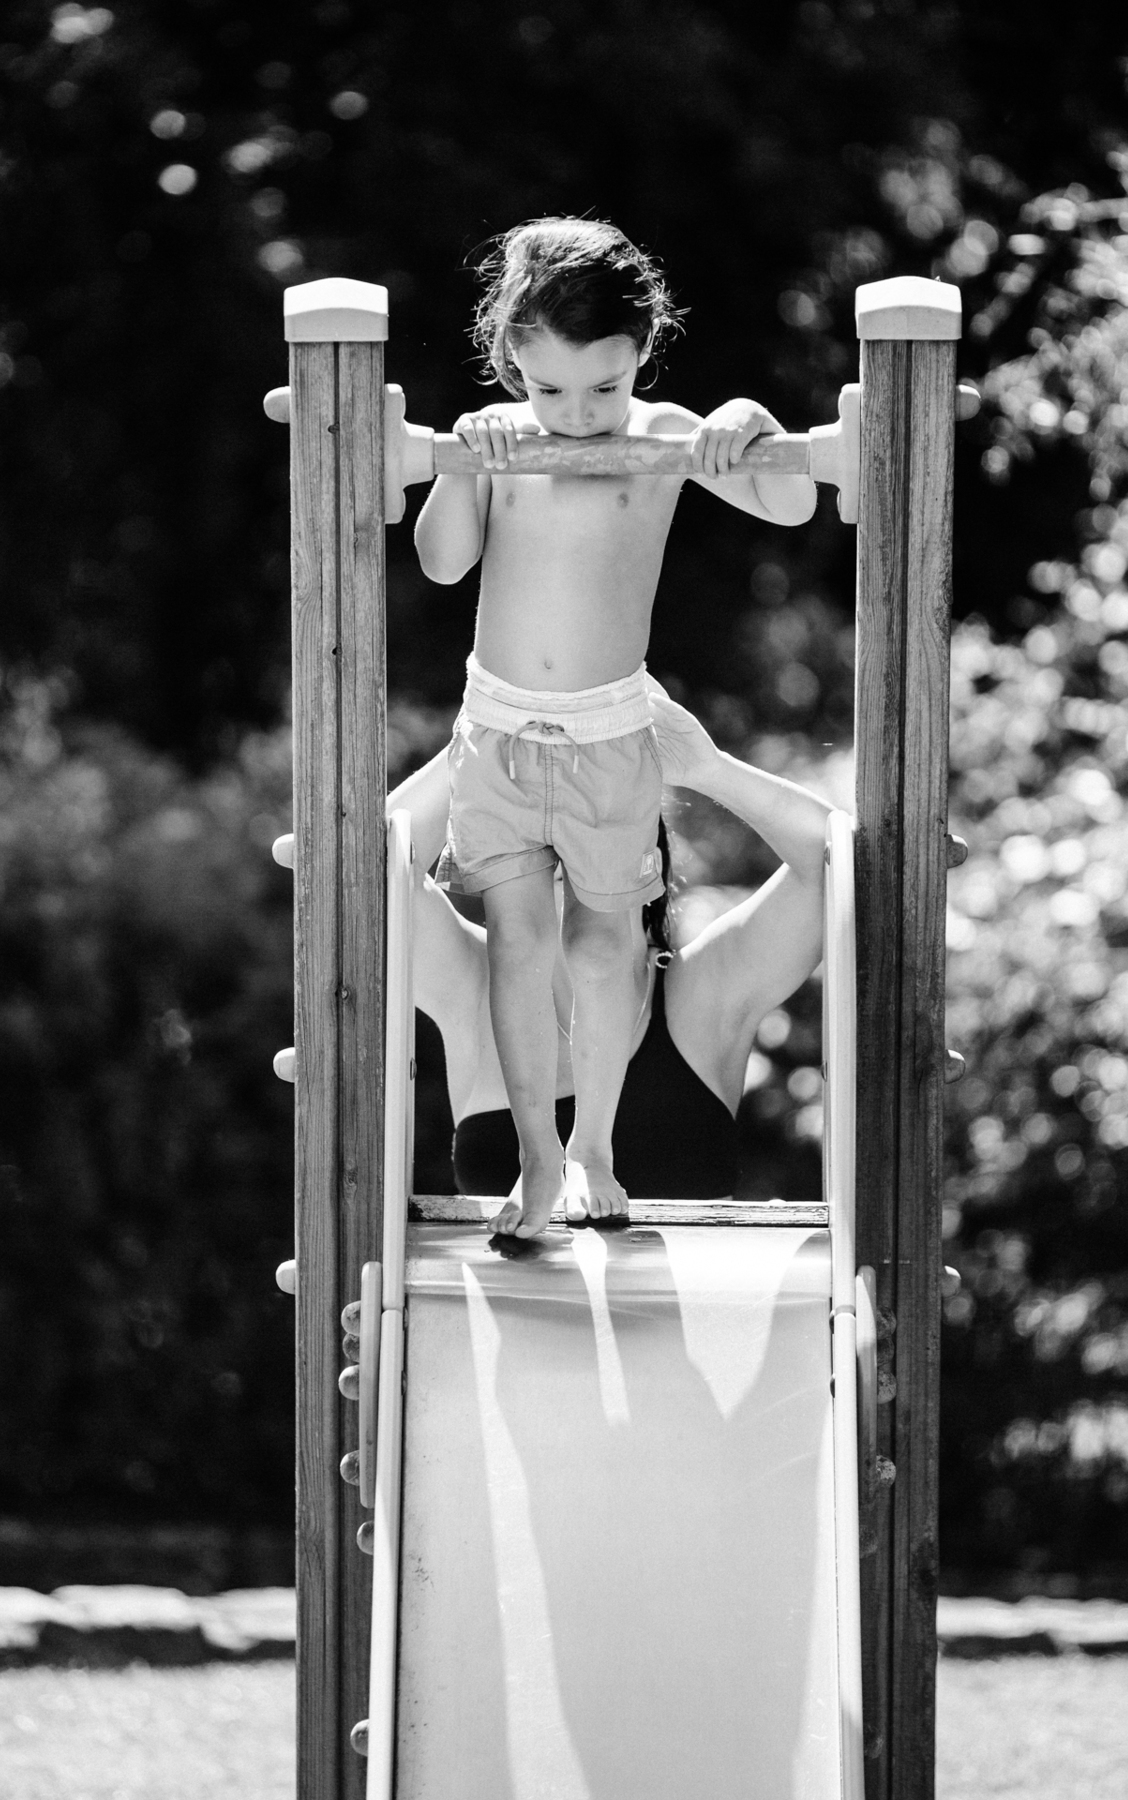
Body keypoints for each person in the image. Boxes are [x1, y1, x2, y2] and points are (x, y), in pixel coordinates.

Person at [413, 216, 817, 1237]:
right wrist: (465, 462)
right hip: (500, 728)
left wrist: (743, 419)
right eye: (550, 389)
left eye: (604, 386)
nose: (580, 414)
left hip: (609, 733)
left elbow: (794, 500)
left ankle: (595, 1147)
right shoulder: (496, 441)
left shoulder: (662, 436)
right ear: (512, 360)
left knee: (603, 947)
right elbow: (441, 563)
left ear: (642, 350)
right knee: (518, 943)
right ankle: (539, 1164)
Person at [387, 684, 832, 1232]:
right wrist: (489, 727)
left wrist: (708, 768)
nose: (560, 838)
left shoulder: (704, 990)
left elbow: (837, 863)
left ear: (651, 861)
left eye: (586, 822)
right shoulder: (470, 980)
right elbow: (374, 871)